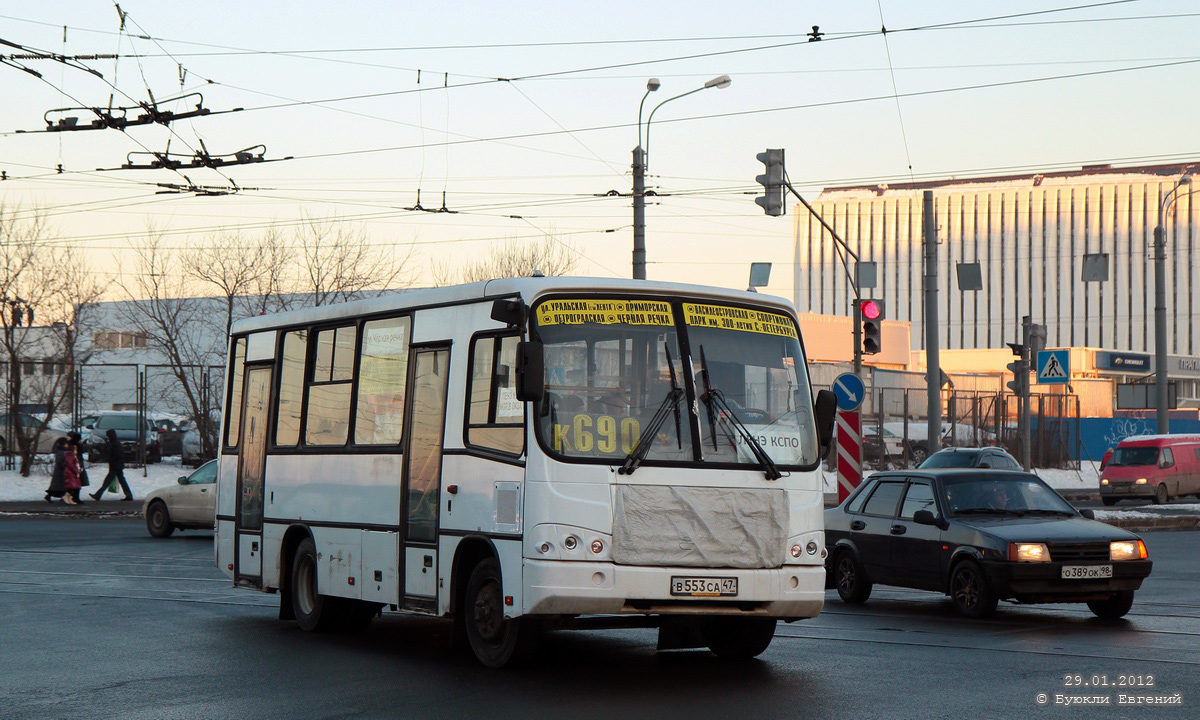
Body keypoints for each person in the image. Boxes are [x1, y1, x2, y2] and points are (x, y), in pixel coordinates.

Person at [90, 428, 133, 502]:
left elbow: (114, 454)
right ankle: (129, 495)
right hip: (117, 465)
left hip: (115, 465)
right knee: (121, 480)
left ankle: (98, 495)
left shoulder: (114, 444)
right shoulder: (115, 443)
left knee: (108, 481)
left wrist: (110, 458)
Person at [44, 437, 69, 502]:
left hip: (59, 471)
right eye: (66, 444)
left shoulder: (61, 451)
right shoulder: (61, 452)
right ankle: (55, 496)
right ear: (64, 444)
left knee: (58, 485)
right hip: (60, 471)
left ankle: (58, 496)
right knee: (59, 485)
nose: (67, 445)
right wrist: (65, 465)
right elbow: (60, 461)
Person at [62, 437, 83, 505]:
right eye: (75, 450)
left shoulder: (72, 456)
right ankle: (70, 497)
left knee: (75, 487)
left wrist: (79, 469)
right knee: (74, 486)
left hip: (72, 473)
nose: (76, 451)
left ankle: (72, 498)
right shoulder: (71, 456)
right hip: (71, 474)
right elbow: (71, 465)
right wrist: (76, 471)